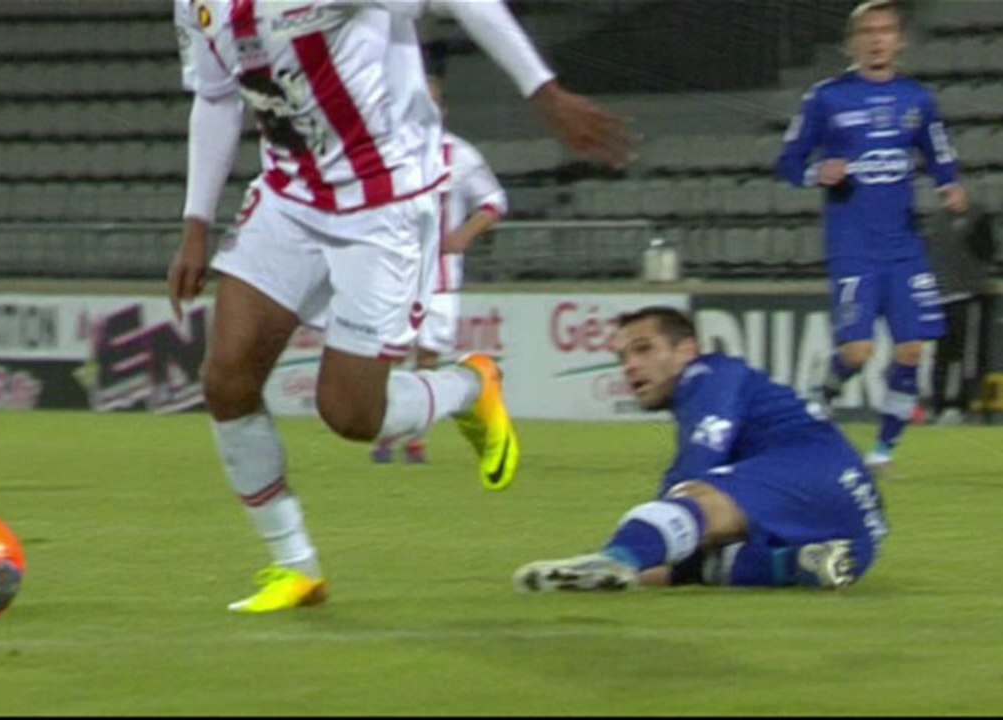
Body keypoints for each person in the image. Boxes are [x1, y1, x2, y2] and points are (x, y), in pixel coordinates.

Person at [171, 0, 635, 613]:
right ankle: (295, 567)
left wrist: (543, 90)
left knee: (352, 414)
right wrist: (196, 220)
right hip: (290, 195)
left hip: (384, 206)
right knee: (226, 380)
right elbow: (217, 96)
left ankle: (471, 386)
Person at [513, 306, 888, 593]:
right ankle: (804, 564)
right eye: (623, 357)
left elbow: (698, 463)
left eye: (643, 350)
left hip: (815, 469)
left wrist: (665, 511)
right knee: (703, 561)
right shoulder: (714, 386)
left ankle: (614, 559)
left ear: (686, 351)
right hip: (862, 532)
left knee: (692, 501)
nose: (630, 366)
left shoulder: (709, 373)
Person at [775, 0, 969, 472]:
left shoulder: (917, 100)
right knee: (858, 353)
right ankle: (825, 389)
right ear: (852, 42)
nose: (878, 39)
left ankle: (883, 450)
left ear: (900, 40)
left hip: (903, 245)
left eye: (886, 30)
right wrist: (819, 172)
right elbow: (787, 164)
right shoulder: (827, 97)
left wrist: (950, 183)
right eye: (868, 31)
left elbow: (938, 153)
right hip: (853, 245)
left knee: (911, 349)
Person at [371, 71, 508, 464]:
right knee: (389, 356)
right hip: (392, 273)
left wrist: (465, 235)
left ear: (442, 110)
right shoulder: (385, 153)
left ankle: (415, 440)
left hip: (441, 280)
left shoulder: (460, 156)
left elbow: (495, 202)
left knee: (428, 358)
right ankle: (384, 434)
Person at [924, 203, 996, 425]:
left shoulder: (976, 220)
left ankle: (960, 406)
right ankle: (938, 406)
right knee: (942, 356)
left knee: (965, 356)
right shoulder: (937, 223)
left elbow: (988, 251)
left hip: (966, 297)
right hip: (942, 297)